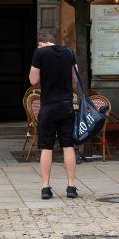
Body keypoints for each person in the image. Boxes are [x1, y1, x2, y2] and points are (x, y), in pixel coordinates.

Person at [29, 34, 79, 200]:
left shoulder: (40, 53)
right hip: (66, 105)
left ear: (40, 44)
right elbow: (75, 78)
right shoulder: (69, 52)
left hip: (48, 106)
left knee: (46, 147)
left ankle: (45, 187)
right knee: (68, 145)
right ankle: (71, 186)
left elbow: (32, 80)